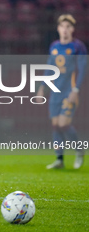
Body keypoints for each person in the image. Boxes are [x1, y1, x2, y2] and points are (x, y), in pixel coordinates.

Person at [37, 14, 87, 169]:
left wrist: (76, 89)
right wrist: (41, 88)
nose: (65, 30)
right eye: (62, 26)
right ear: (58, 28)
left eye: (68, 27)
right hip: (55, 92)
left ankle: (79, 151)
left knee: (64, 124)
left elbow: (83, 69)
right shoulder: (54, 46)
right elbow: (49, 69)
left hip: (69, 91)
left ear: (72, 29)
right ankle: (59, 159)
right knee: (55, 125)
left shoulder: (78, 47)